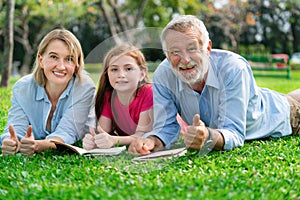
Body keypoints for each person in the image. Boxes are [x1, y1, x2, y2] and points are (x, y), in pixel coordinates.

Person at [128, 15, 300, 155]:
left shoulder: (233, 68)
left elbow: (234, 134)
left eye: (192, 48)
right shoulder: (163, 75)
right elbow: (165, 128)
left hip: (285, 115)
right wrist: (151, 141)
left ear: (208, 48)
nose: (185, 60)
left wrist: (208, 136)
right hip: (260, 100)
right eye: (175, 52)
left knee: (292, 100)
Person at [0, 29, 95, 156]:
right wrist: (10, 142)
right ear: (40, 60)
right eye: (54, 57)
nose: (61, 66)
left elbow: (67, 133)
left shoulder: (84, 88)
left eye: (69, 59)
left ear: (76, 64)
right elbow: (16, 129)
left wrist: (36, 145)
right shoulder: (22, 88)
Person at [82, 44, 153, 149]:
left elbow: (142, 135)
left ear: (142, 74)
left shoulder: (148, 92)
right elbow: (103, 131)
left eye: (128, 69)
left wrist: (113, 140)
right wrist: (93, 140)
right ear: (107, 74)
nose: (121, 75)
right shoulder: (109, 97)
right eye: (114, 70)